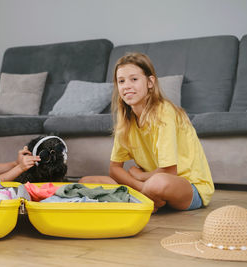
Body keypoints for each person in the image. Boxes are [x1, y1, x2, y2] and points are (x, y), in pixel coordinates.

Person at [80, 53, 214, 212]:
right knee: (85, 181)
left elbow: (170, 172)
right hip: (147, 185)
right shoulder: (126, 121)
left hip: (188, 187)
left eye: (134, 79)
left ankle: (139, 198)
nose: (126, 86)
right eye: (121, 81)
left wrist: (140, 175)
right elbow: (114, 169)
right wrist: (140, 184)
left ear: (150, 82)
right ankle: (145, 197)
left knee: (157, 183)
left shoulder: (164, 112)